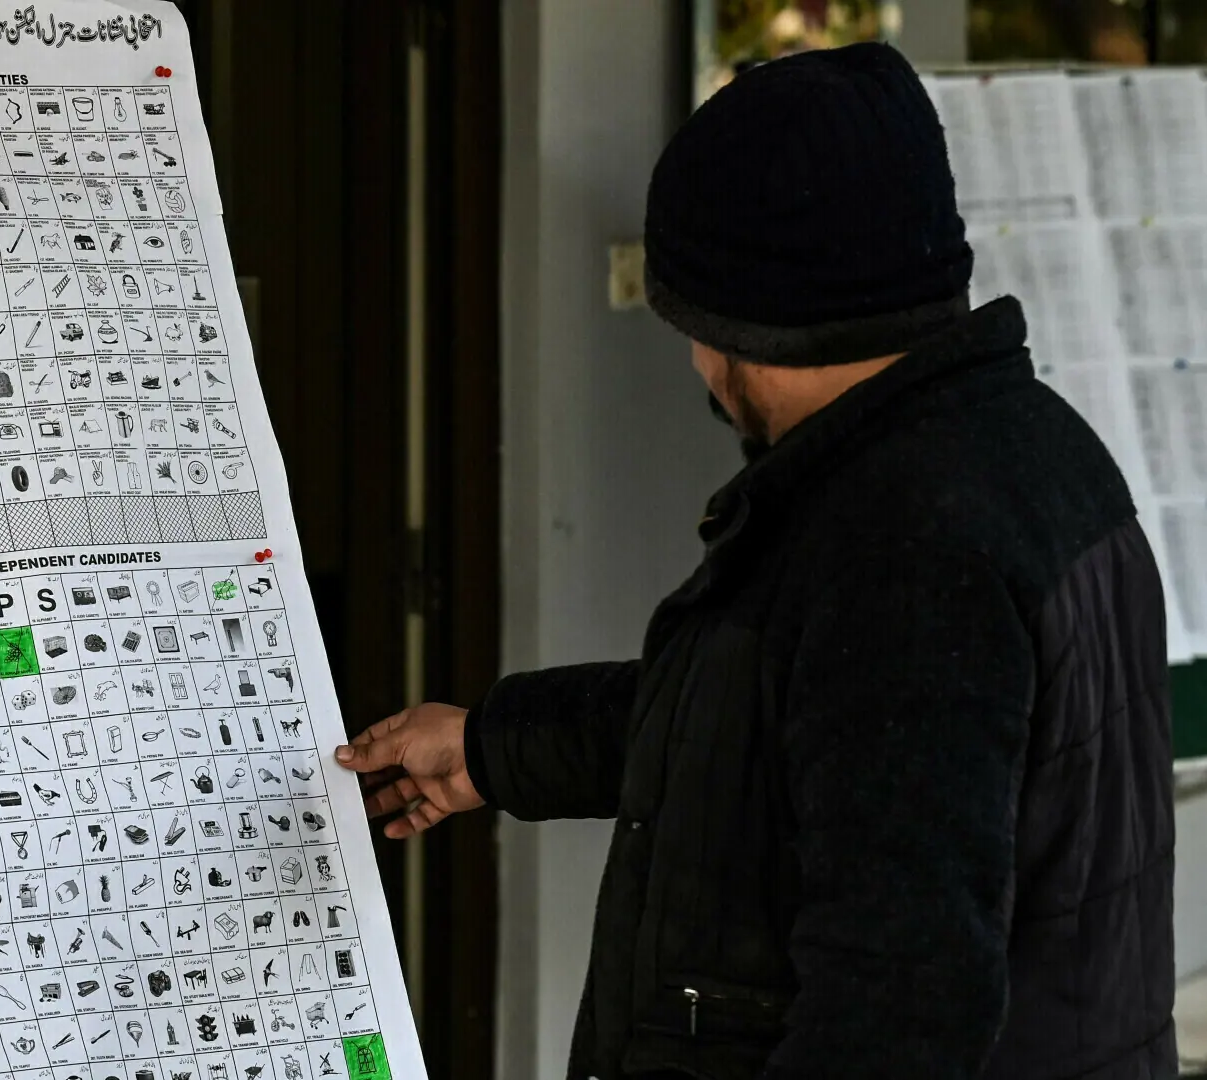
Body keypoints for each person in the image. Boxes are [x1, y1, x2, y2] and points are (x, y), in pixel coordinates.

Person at [336, 43, 1176, 1080]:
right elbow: (784, 721)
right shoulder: (1035, 451)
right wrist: (493, 748)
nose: (697, 367)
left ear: (755, 322)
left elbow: (894, 1014)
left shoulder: (906, 548)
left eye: (693, 326)